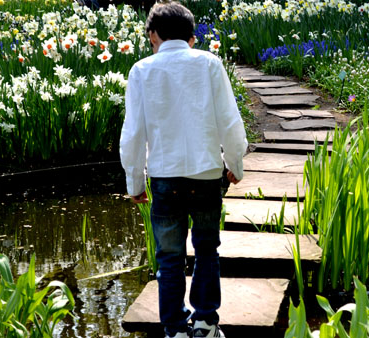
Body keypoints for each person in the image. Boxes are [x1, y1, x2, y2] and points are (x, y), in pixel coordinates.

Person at [119, 2, 248, 337]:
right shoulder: (209, 63)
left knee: (169, 259)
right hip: (205, 175)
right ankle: (205, 323)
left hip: (164, 177)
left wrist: (135, 183)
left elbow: (133, 135)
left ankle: (175, 329)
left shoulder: (141, 70)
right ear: (192, 36)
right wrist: (235, 164)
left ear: (153, 35)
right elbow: (230, 123)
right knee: (207, 250)